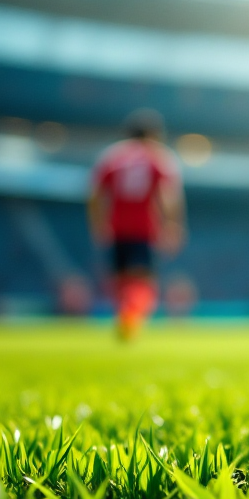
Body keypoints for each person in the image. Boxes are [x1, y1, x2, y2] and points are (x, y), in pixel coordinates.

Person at [88, 109, 186, 340]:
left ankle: (125, 315)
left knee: (121, 278)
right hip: (144, 228)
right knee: (143, 280)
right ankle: (130, 317)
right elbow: (168, 195)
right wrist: (173, 225)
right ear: (154, 134)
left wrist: (98, 223)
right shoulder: (158, 156)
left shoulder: (112, 156)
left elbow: (95, 194)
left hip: (117, 227)